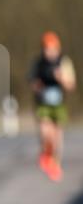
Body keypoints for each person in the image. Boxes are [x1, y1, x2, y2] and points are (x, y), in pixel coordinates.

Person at [29, 31, 76, 182]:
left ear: (57, 49)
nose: (49, 52)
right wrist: (37, 86)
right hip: (43, 103)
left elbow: (71, 85)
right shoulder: (39, 63)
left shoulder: (64, 62)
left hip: (59, 103)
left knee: (57, 135)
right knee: (45, 132)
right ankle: (46, 154)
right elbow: (32, 81)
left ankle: (55, 163)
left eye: (52, 49)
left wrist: (61, 78)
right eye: (46, 49)